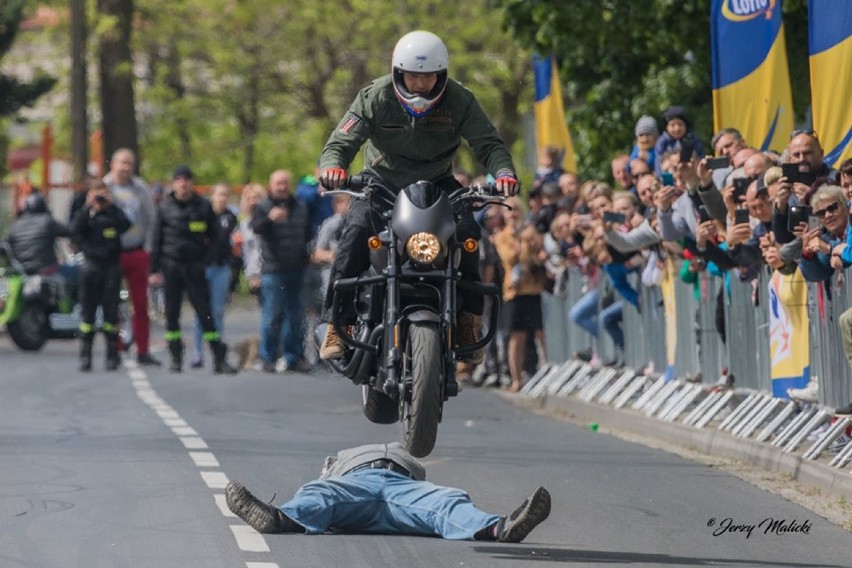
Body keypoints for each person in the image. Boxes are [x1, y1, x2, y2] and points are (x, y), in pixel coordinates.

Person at [317, 30, 519, 363]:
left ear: (441, 75)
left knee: (468, 232)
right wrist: (334, 167)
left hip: (438, 184)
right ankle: (337, 325)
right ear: (399, 72)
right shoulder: (375, 96)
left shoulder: (460, 100)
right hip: (380, 185)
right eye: (413, 76)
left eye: (428, 77)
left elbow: (489, 144)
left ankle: (468, 320)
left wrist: (505, 173)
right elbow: (341, 142)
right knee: (354, 232)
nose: (420, 84)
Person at [225, 442, 550, 542]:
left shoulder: (337, 465)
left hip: (402, 486)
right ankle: (276, 517)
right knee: (319, 494)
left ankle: (500, 527)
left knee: (448, 500)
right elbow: (324, 484)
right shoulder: (336, 466)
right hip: (364, 482)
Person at [148, 166, 237, 375]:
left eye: (187, 179)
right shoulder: (165, 207)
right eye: (179, 180)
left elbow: (216, 236)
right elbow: (156, 240)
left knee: (205, 312)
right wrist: (153, 270)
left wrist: (207, 258)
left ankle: (218, 357)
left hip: (195, 266)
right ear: (174, 183)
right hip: (171, 266)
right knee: (171, 314)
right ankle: (175, 357)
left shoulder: (203, 206)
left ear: (191, 183)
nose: (183, 184)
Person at [250, 169, 313, 373]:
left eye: (285, 183)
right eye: (278, 183)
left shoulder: (301, 207)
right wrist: (269, 219)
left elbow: (308, 234)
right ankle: (267, 357)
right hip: (273, 270)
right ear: (271, 185)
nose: (282, 187)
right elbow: (256, 228)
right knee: (271, 315)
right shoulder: (261, 207)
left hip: (297, 269)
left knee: (295, 317)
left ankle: (292, 357)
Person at [104, 148, 161, 367]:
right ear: (114, 164)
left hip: (136, 250)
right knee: (112, 302)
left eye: (130, 163)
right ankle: (115, 348)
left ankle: (143, 350)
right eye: (122, 163)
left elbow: (152, 218)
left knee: (140, 303)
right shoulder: (105, 187)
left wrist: (148, 248)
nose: (126, 168)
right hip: (112, 253)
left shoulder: (140, 188)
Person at [70, 178, 131, 372]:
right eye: (96, 193)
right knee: (87, 315)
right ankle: (85, 356)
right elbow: (74, 230)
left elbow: (126, 225)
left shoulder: (114, 213)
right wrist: (90, 207)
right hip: (91, 267)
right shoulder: (86, 215)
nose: (99, 197)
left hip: (111, 267)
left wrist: (110, 206)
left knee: (111, 314)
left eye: (102, 193)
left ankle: (112, 355)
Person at [190, 183, 238, 369]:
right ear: (213, 196)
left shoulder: (229, 217)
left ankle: (217, 351)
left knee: (217, 311)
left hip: (221, 267)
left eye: (225, 195)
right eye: (219, 194)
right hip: (203, 267)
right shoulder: (201, 213)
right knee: (200, 311)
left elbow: (222, 235)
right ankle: (197, 351)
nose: (222, 198)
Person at [3, 192, 71, 275]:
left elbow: (5, 246)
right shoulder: (47, 221)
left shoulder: (16, 225)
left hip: (22, 271)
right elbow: (69, 231)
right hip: (46, 270)